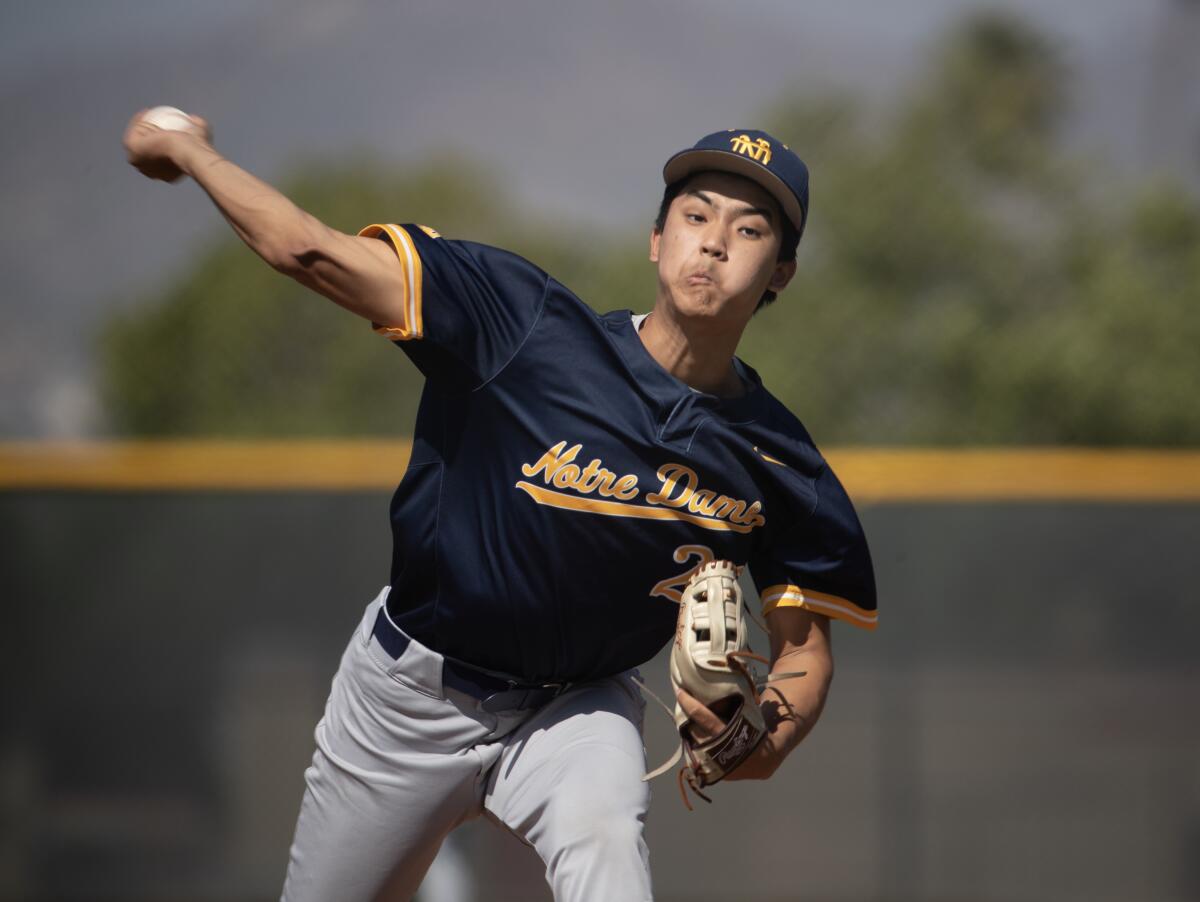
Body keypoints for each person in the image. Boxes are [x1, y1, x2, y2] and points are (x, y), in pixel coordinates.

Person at [124, 113, 877, 901]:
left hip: (580, 710)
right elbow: (306, 249)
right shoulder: (523, 325)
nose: (714, 242)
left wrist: (767, 737)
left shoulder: (780, 460)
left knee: (607, 837)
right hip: (411, 696)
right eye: (695, 216)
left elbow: (805, 650)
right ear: (656, 240)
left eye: (749, 229)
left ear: (782, 271)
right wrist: (190, 150)